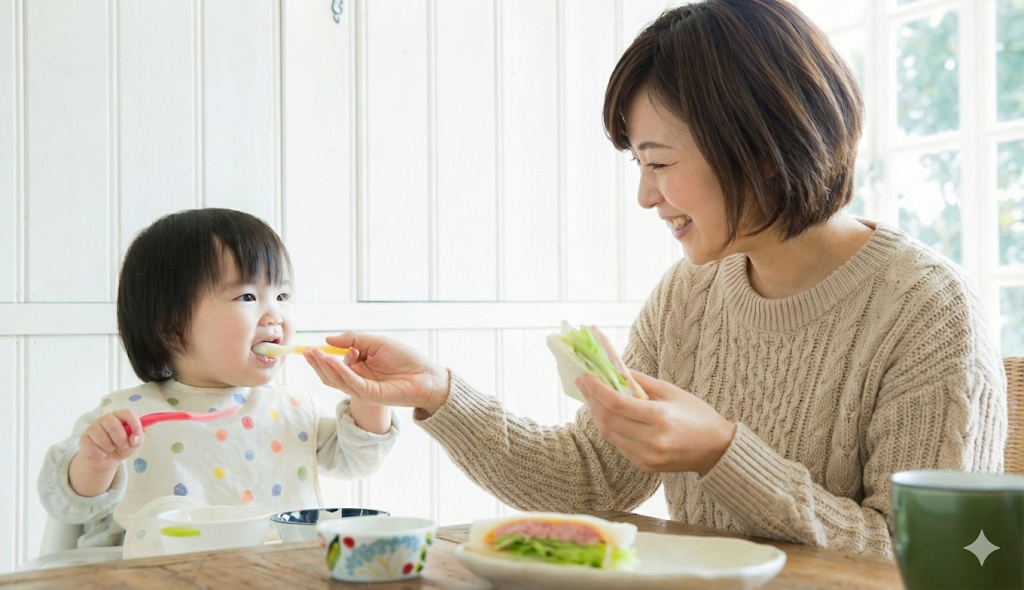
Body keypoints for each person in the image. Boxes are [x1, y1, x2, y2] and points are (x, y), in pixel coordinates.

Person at [303, 0, 1006, 559]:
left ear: (761, 150)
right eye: (637, 165)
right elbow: (588, 478)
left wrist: (723, 453)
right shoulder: (689, 295)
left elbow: (916, 558)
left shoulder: (927, 308)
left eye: (660, 162)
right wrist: (440, 395)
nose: (644, 196)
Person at [39, 208, 398, 548]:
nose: (275, 314)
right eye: (247, 296)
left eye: (282, 295)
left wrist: (368, 395)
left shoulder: (290, 409)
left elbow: (357, 460)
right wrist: (98, 462)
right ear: (170, 322)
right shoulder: (126, 418)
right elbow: (68, 504)